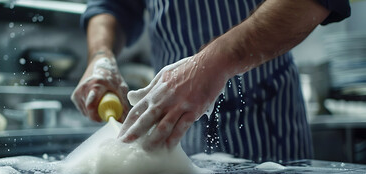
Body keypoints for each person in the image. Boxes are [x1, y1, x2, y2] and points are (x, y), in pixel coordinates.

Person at [71, 0, 350, 164]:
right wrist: (101, 55)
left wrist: (211, 65)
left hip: (265, 123)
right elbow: (113, 6)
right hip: (170, 125)